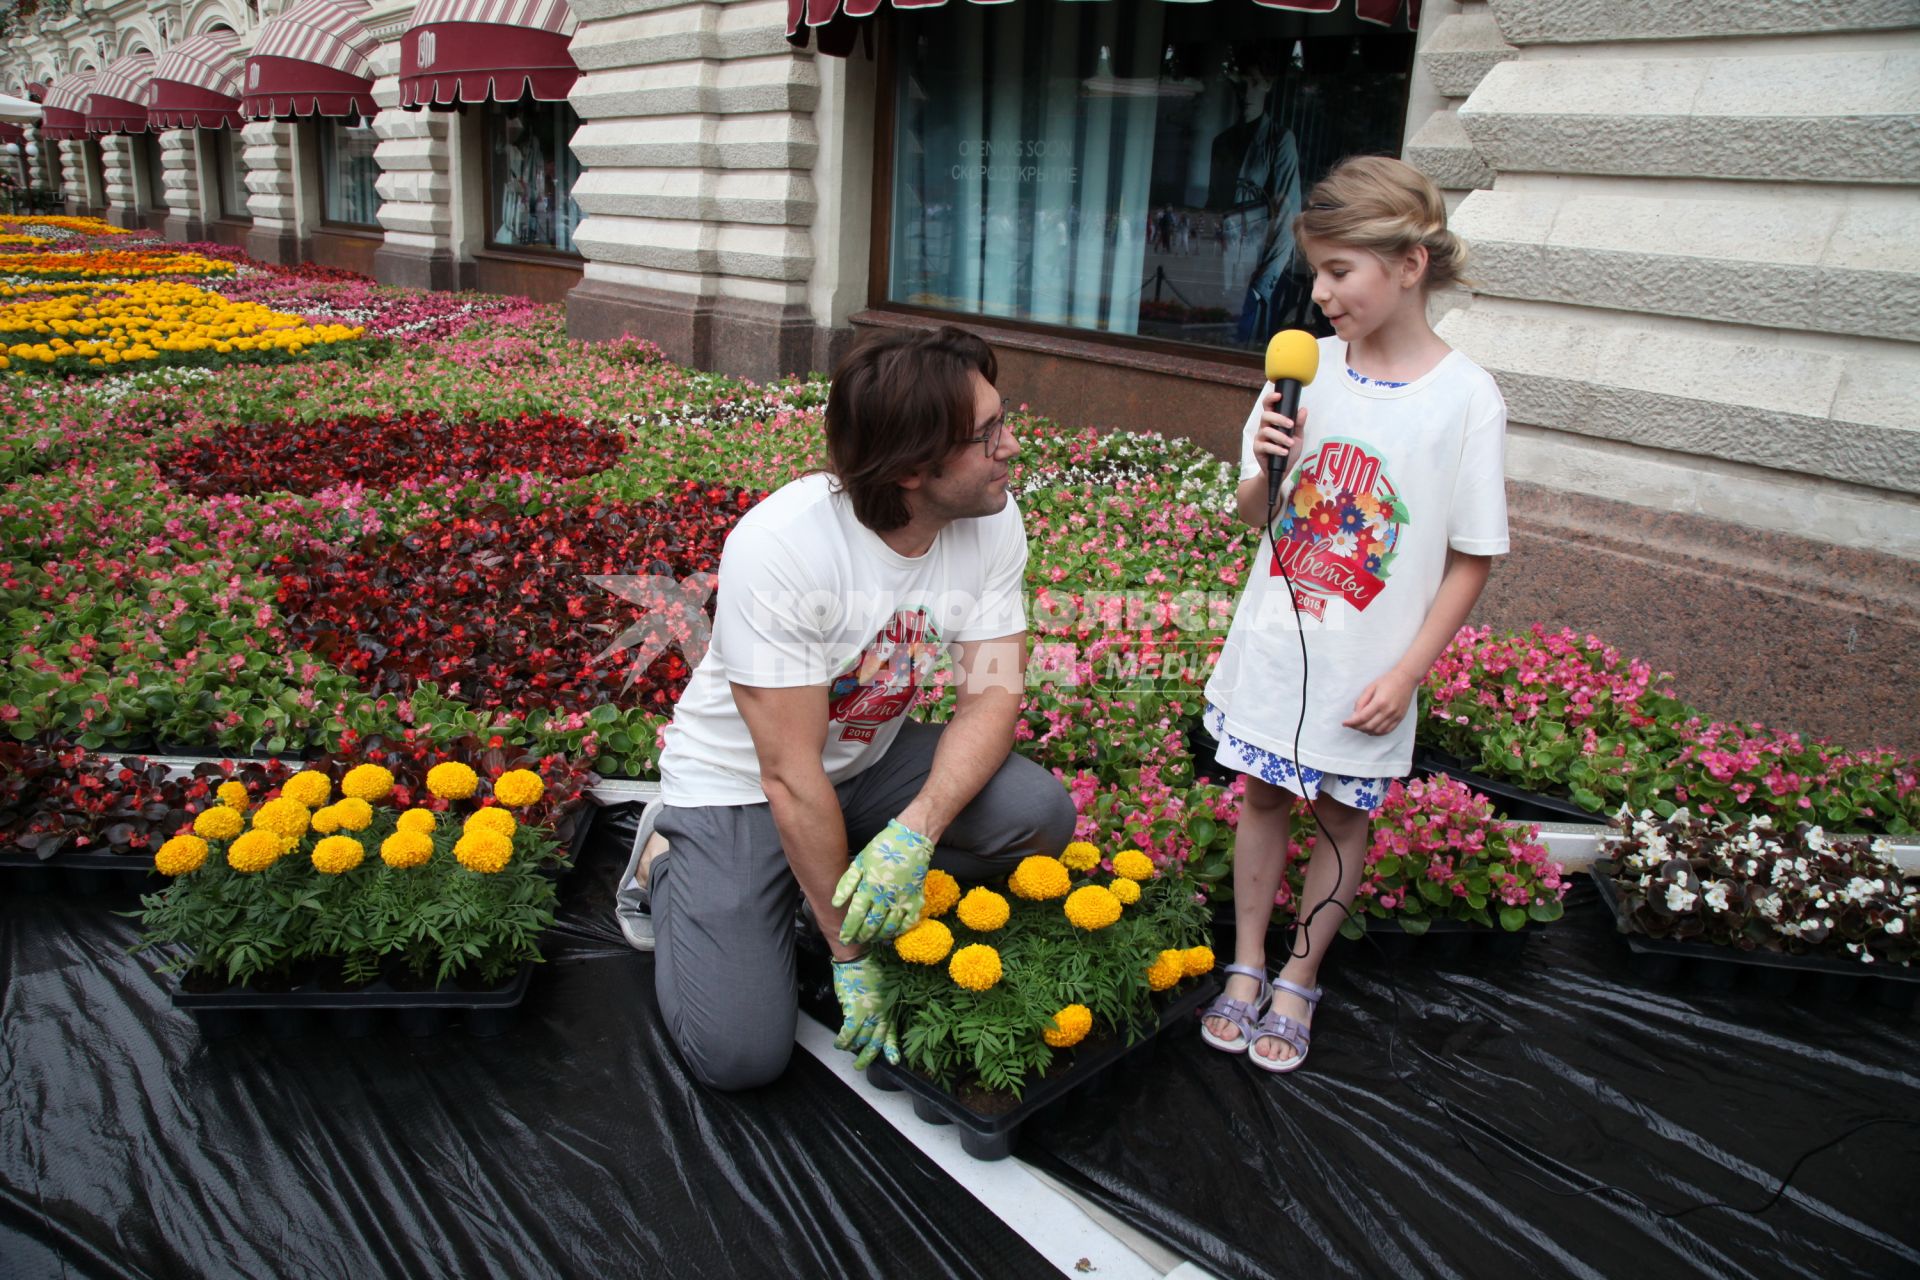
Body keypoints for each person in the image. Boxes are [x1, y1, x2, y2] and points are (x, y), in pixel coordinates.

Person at [615, 325, 1077, 1091]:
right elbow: (791, 776)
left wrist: (916, 831)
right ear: (911, 469)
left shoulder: (992, 516)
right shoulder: (785, 548)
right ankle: (667, 858)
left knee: (1037, 814)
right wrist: (851, 958)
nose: (1012, 447)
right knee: (740, 1055)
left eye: (1003, 421)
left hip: (866, 760)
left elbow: (994, 688)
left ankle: (829, 874)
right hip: (744, 786)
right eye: (987, 434)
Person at [1199, 155, 1508, 1073]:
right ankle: (1248, 963)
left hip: (1369, 664)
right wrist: (1263, 462)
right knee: (1261, 795)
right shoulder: (1301, 370)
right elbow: (1257, 517)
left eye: (1341, 272)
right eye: (1316, 274)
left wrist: (1408, 672)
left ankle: (1300, 977)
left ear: (1409, 264)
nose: (1322, 294)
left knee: (1339, 816)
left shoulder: (1467, 400)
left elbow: (1471, 555)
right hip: (1275, 644)